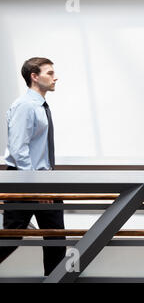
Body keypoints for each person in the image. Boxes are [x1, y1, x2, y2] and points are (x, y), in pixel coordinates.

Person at [1, 57, 66, 276]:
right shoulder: (25, 106)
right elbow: (19, 150)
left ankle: (54, 280)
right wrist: (36, 186)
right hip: (26, 180)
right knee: (11, 237)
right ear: (34, 77)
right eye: (49, 73)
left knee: (56, 238)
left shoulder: (39, 105)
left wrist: (46, 183)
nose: (55, 77)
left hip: (45, 179)